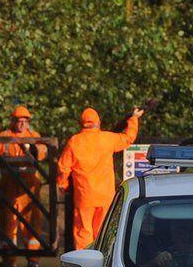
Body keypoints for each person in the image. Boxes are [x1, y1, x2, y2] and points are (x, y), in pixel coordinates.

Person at [57, 106, 143, 250]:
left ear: (81, 123)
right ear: (98, 122)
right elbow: (128, 138)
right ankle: (101, 263)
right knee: (103, 231)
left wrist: (63, 185)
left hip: (84, 196)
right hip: (105, 196)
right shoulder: (106, 138)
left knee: (83, 231)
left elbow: (63, 167)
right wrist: (134, 118)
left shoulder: (75, 141)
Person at [0, 106, 47, 267]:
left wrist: (35, 150)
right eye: (19, 121)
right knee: (8, 224)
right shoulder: (4, 136)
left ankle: (33, 259)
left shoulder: (34, 137)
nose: (22, 124)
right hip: (9, 188)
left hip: (29, 190)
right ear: (13, 121)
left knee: (32, 223)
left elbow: (43, 151)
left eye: (25, 121)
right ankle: (10, 260)